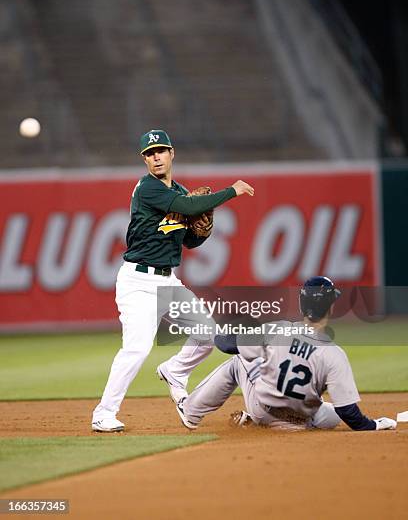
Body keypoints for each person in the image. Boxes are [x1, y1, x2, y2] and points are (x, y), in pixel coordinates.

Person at [92, 129, 254, 432]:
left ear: (171, 153)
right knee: (137, 349)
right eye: (150, 153)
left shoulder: (178, 191)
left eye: (161, 151)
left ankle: (175, 372)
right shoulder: (148, 189)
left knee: (207, 334)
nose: (156, 157)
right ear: (144, 159)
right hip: (138, 282)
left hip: (167, 282)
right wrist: (231, 191)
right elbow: (190, 207)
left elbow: (189, 242)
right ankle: (103, 412)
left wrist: (200, 231)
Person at [175, 276, 397, 432]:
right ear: (330, 307)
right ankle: (288, 424)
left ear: (301, 306)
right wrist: (374, 425)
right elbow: (349, 411)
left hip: (264, 411)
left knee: (239, 360)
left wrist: (217, 331)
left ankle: (191, 411)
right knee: (335, 412)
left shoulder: (277, 329)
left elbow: (225, 345)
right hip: (303, 419)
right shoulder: (335, 354)